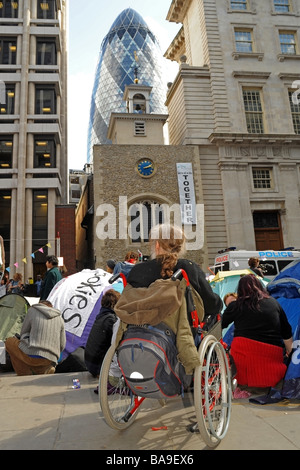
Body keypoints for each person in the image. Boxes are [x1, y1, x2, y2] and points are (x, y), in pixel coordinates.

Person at [114, 223, 223, 376]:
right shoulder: (188, 268)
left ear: (156, 245)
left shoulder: (137, 271)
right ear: (180, 246)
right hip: (180, 333)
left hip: (139, 330)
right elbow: (211, 303)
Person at [222, 274, 293, 389]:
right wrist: (290, 352)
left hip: (243, 364)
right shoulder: (274, 303)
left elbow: (221, 324)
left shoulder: (236, 305)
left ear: (239, 290)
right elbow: (286, 331)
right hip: (272, 368)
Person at [5, 300, 66, 376]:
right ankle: (46, 369)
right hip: (50, 359)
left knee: (9, 341)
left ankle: (24, 372)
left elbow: (23, 332)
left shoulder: (32, 310)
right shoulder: (60, 318)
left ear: (39, 305)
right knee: (41, 358)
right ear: (52, 307)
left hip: (32, 355)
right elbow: (62, 345)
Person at [84, 289, 121, 378]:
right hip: (98, 367)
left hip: (89, 363)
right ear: (114, 304)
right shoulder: (111, 320)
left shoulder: (101, 316)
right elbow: (115, 344)